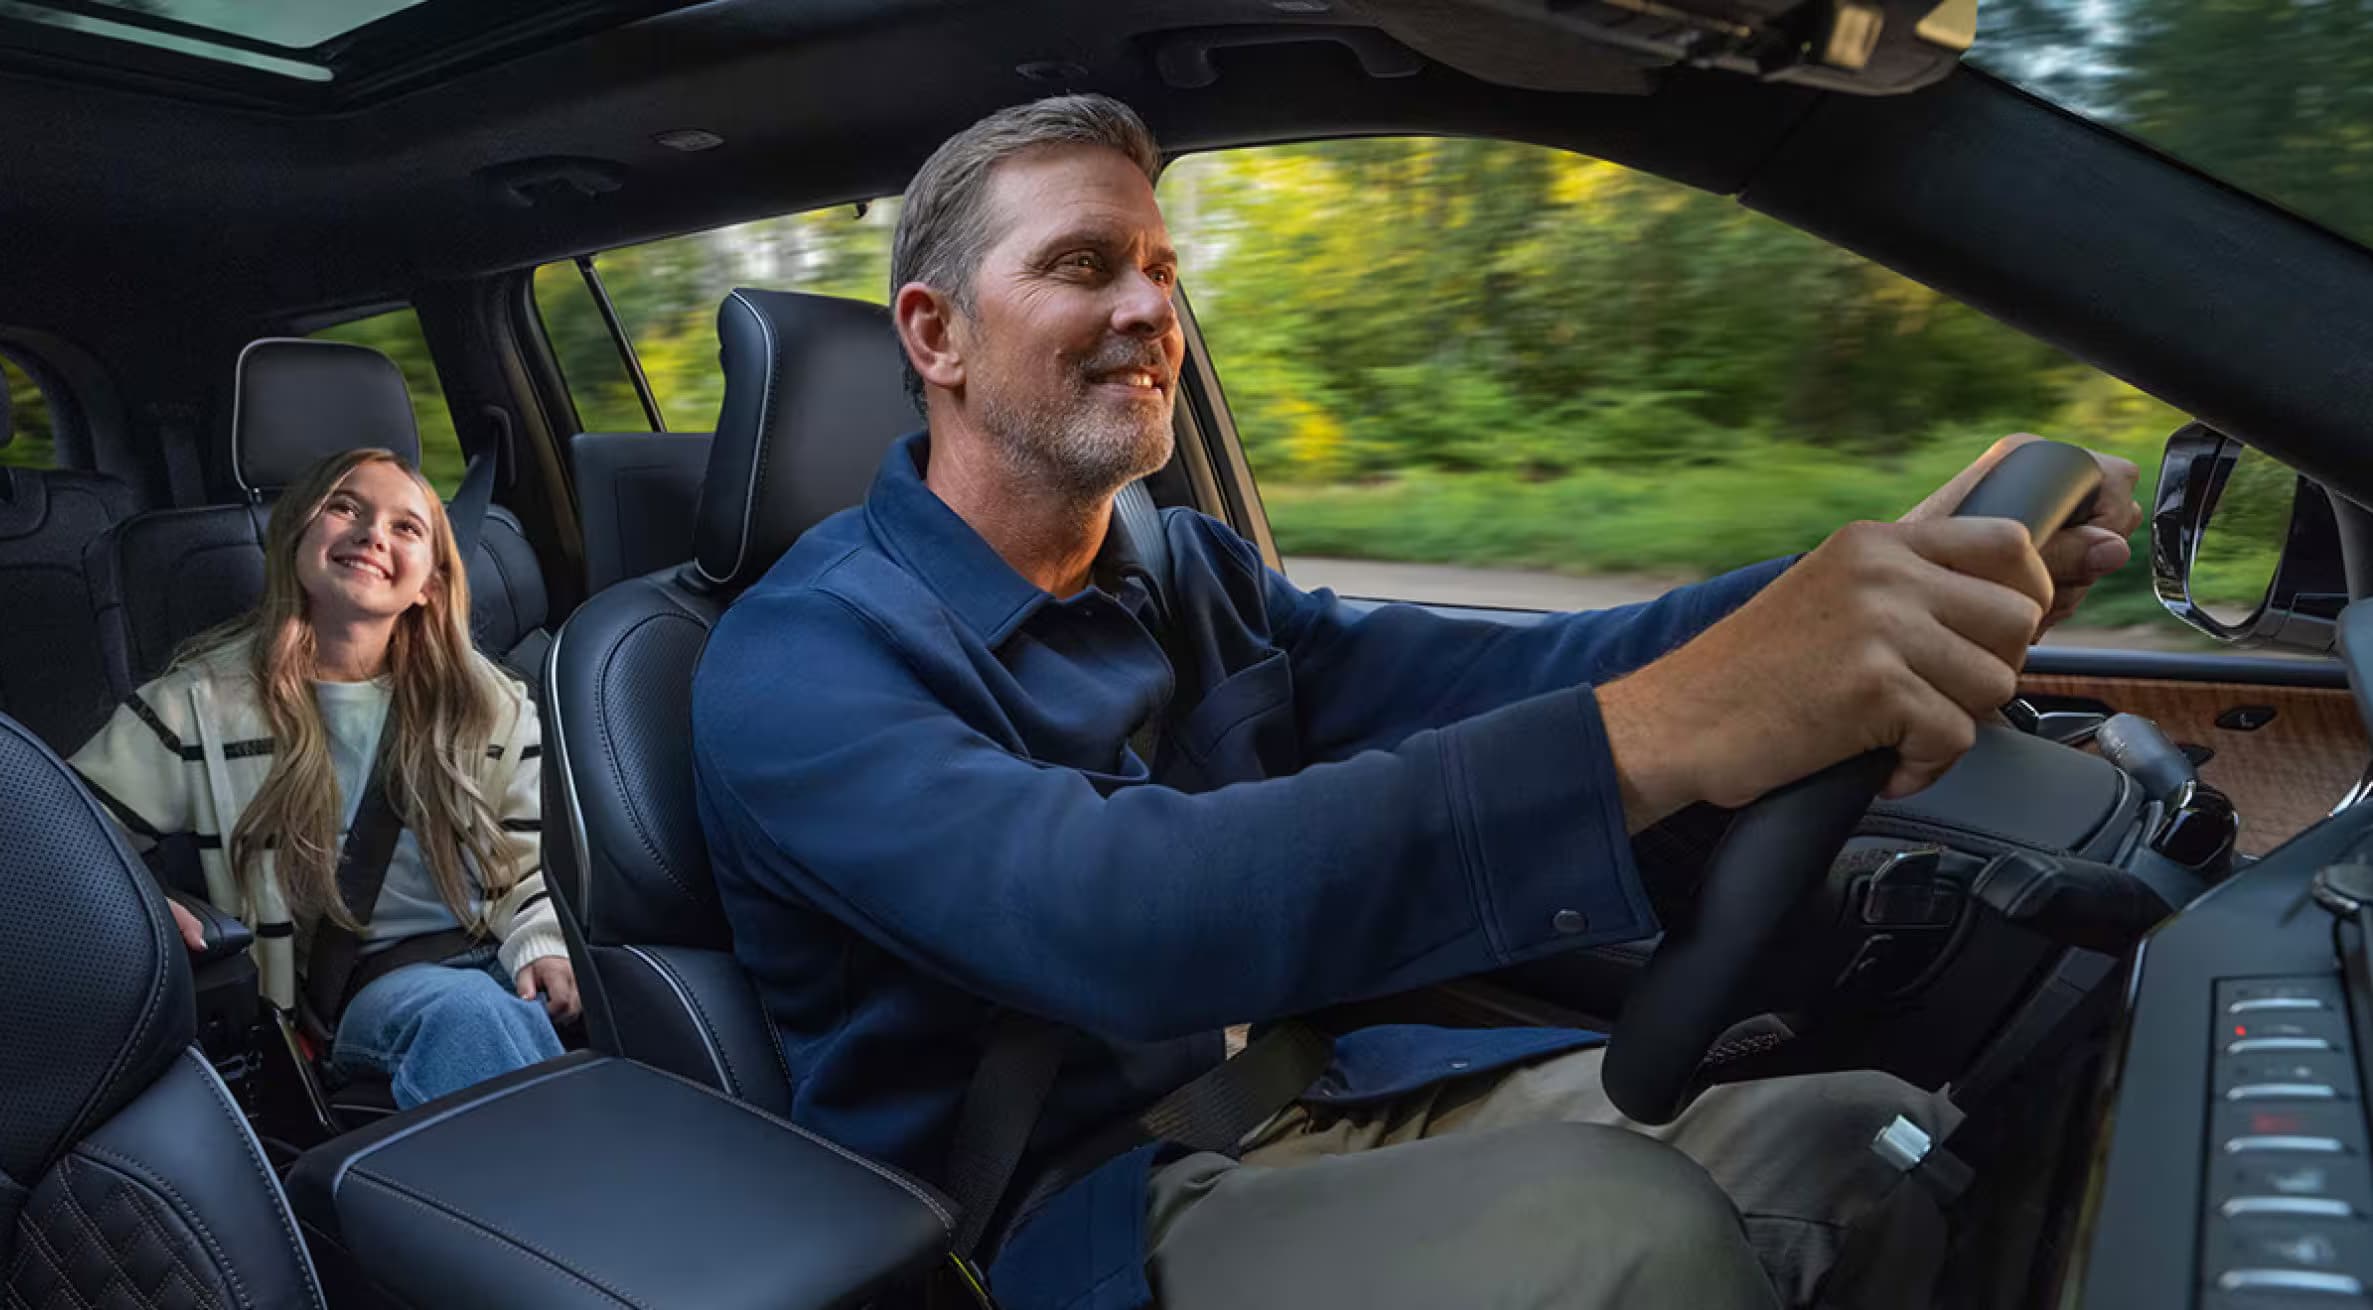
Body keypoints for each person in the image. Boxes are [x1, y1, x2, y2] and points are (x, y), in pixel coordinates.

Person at [691, 95, 2144, 1309]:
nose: (1149, 307)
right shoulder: (796, 664)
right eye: (1084, 265)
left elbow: (1494, 672)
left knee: (1856, 1132)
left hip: (1301, 1095)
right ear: (935, 335)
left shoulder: (1181, 565)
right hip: (1063, 1225)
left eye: (1159, 265)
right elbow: (1126, 913)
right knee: (1624, 1235)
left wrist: (1856, 586)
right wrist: (1667, 729)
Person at [72, 447, 577, 1110]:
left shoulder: (490, 703)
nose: (372, 534)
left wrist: (544, 942)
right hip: (363, 992)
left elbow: (533, 863)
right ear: (296, 537)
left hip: (498, 953)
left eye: (407, 527)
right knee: (467, 1016)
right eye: (345, 507)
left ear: (430, 580)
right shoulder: (197, 704)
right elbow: (52, 828)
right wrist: (133, 901)